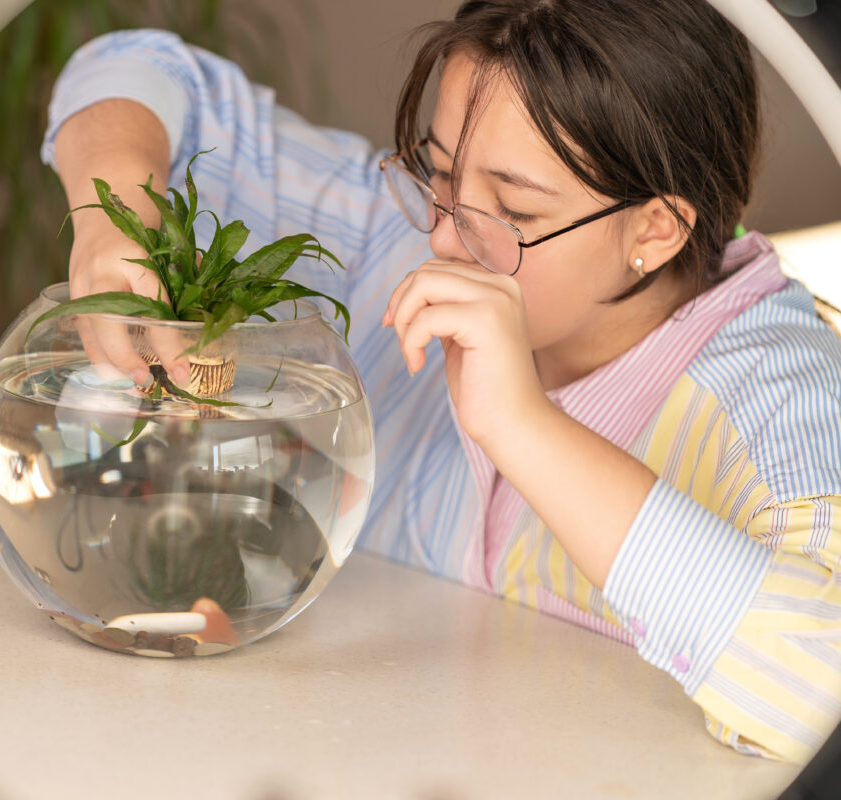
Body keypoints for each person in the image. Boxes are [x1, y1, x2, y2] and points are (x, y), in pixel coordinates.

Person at [41, 0, 841, 762]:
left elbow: (818, 689)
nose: (443, 238)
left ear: (656, 230)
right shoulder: (390, 229)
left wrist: (526, 429)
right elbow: (136, 68)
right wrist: (115, 215)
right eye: (439, 172)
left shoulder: (783, 401)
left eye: (512, 211)